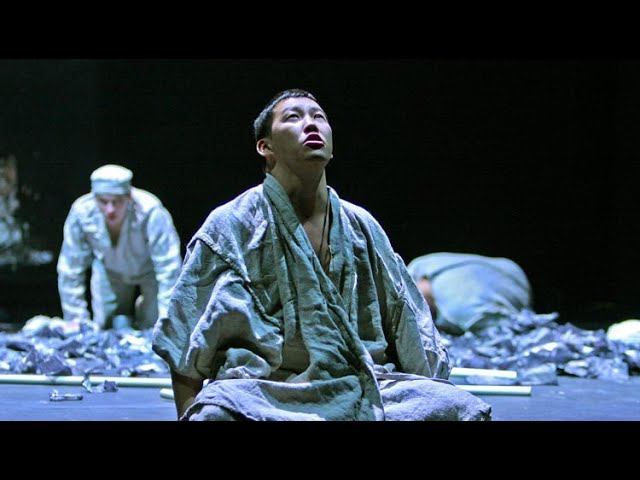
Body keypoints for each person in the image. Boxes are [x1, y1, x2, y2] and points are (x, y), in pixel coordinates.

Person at [152, 89, 491, 421]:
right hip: (267, 390)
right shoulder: (231, 224)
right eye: (293, 117)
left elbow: (405, 315)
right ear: (265, 147)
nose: (311, 124)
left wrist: (429, 384)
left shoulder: (361, 225)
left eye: (319, 117)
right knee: (216, 413)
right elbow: (185, 335)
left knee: (461, 407)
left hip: (360, 383)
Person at [57, 164, 182, 330]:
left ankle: (143, 310)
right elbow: (70, 267)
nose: (110, 209)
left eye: (116, 202)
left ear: (129, 197)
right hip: (108, 271)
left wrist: (168, 321)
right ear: (94, 198)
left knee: (155, 326)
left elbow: (169, 267)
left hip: (150, 272)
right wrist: (75, 318)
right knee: (104, 326)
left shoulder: (151, 211)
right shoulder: (81, 212)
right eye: (103, 202)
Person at [407, 252, 536, 334]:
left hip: (516, 293)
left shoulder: (459, 310)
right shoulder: (419, 266)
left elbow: (501, 333)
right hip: (511, 268)